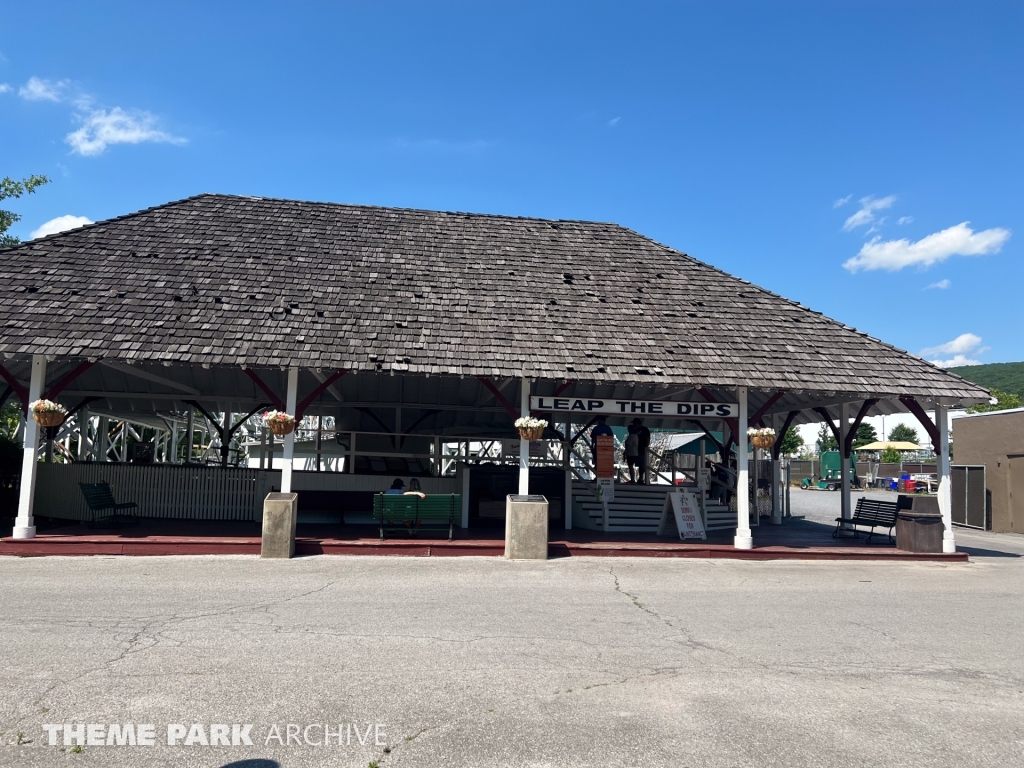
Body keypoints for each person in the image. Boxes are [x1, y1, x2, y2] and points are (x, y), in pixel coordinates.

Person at [631, 418, 651, 484]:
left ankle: (644, 478)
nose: (634, 425)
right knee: (639, 465)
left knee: (643, 464)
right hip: (636, 449)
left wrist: (646, 447)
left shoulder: (645, 429)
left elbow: (648, 438)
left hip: (642, 449)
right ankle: (641, 478)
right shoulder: (635, 430)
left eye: (634, 423)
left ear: (638, 424)